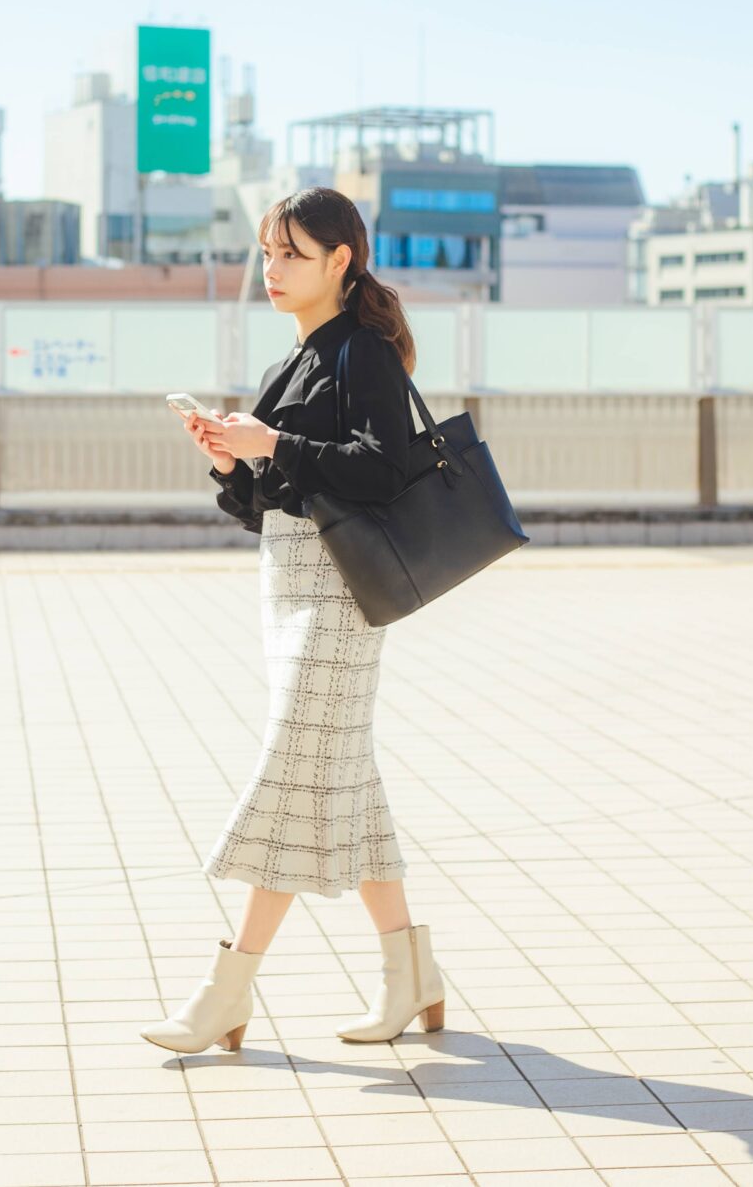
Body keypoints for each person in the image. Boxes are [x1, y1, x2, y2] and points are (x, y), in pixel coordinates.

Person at [138, 186, 448, 1055]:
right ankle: (410, 971)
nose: (272, 271)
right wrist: (232, 459)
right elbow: (274, 500)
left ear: (340, 261)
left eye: (291, 255)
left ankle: (225, 989)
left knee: (292, 771)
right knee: (343, 776)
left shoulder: (365, 353)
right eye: (268, 254)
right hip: (288, 582)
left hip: (344, 593)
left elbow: (383, 471)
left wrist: (270, 443)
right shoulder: (299, 358)